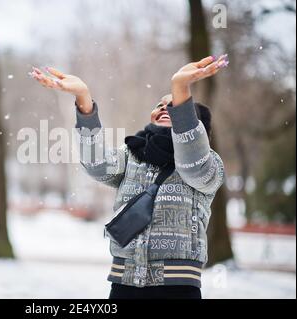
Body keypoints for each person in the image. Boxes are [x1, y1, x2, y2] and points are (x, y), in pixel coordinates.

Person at [30, 54, 228, 299]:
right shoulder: (132, 155)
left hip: (177, 287)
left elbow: (191, 163)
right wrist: (84, 100)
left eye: (175, 105)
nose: (165, 108)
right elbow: (97, 165)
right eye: (160, 105)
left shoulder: (209, 164)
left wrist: (181, 87)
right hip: (124, 282)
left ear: (197, 125)